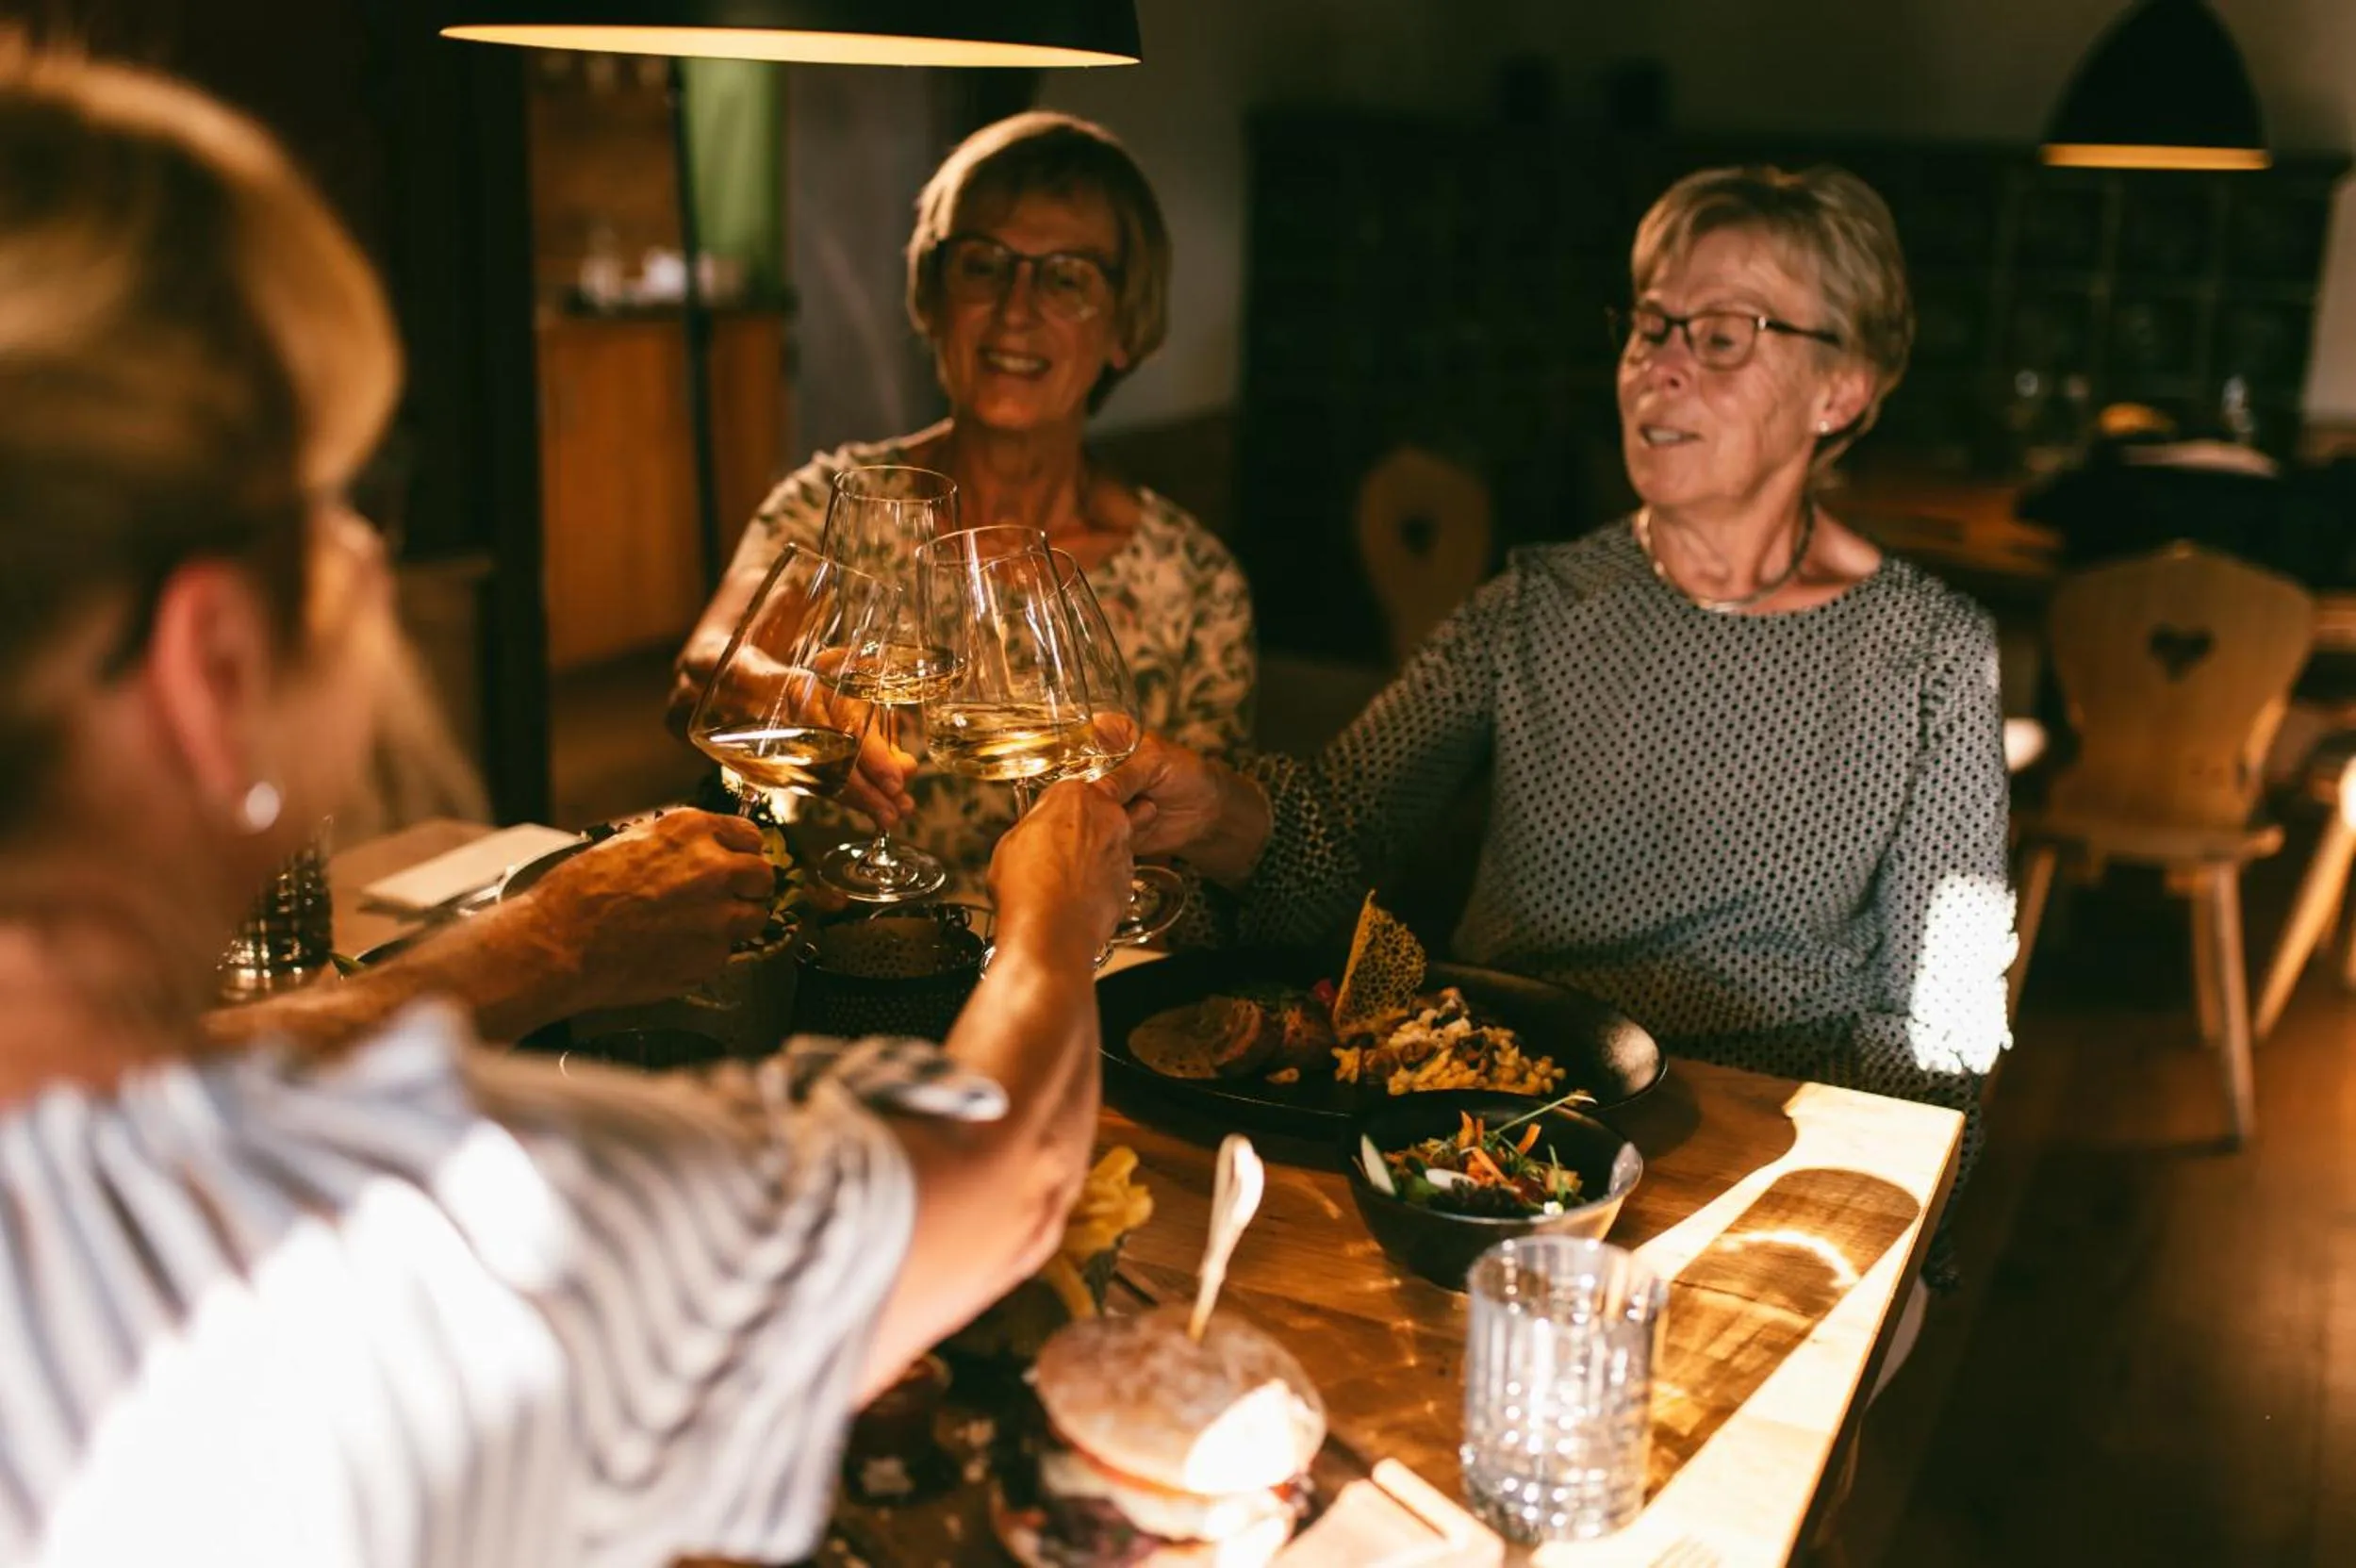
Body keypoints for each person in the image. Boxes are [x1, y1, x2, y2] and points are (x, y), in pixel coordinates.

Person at [0, 43, 1134, 1567]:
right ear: (211, 663)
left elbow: (202, 1065)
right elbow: (999, 1179)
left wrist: (543, 948)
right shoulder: (450, 1230)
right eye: (350, 498)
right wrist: (1052, 916)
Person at [1110, 164, 2016, 1191]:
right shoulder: (1538, 603)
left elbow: (1939, 1030)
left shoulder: (1932, 655)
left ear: (1841, 387)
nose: (1658, 367)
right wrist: (1210, 808)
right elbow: (1335, 834)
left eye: (1721, 337)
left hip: (1774, 1148)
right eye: (1650, 325)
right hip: (1496, 1138)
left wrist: (1807, 1178)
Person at [669, 110, 1255, 891]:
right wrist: (793, 696)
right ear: (933, 295)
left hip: (1089, 980)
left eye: (1067, 277)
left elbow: (1213, 869)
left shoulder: (1197, 587)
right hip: (841, 963)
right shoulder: (830, 505)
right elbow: (698, 678)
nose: (1016, 308)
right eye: (983, 265)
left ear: (1125, 325)